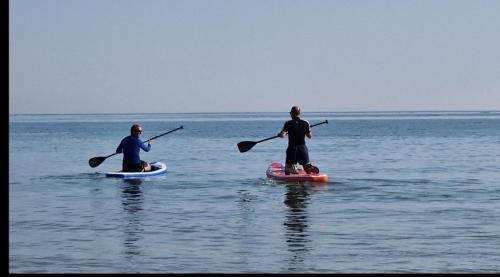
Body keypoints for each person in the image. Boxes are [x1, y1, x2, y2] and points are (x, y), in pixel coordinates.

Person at [278, 106, 319, 175]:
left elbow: (282, 135)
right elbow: (310, 136)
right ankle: (309, 167)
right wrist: (306, 129)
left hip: (292, 148)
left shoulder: (288, 123)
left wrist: (279, 134)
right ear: (299, 113)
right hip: (303, 148)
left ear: (291, 114)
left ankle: (292, 168)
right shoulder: (306, 123)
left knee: (287, 170)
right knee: (306, 170)